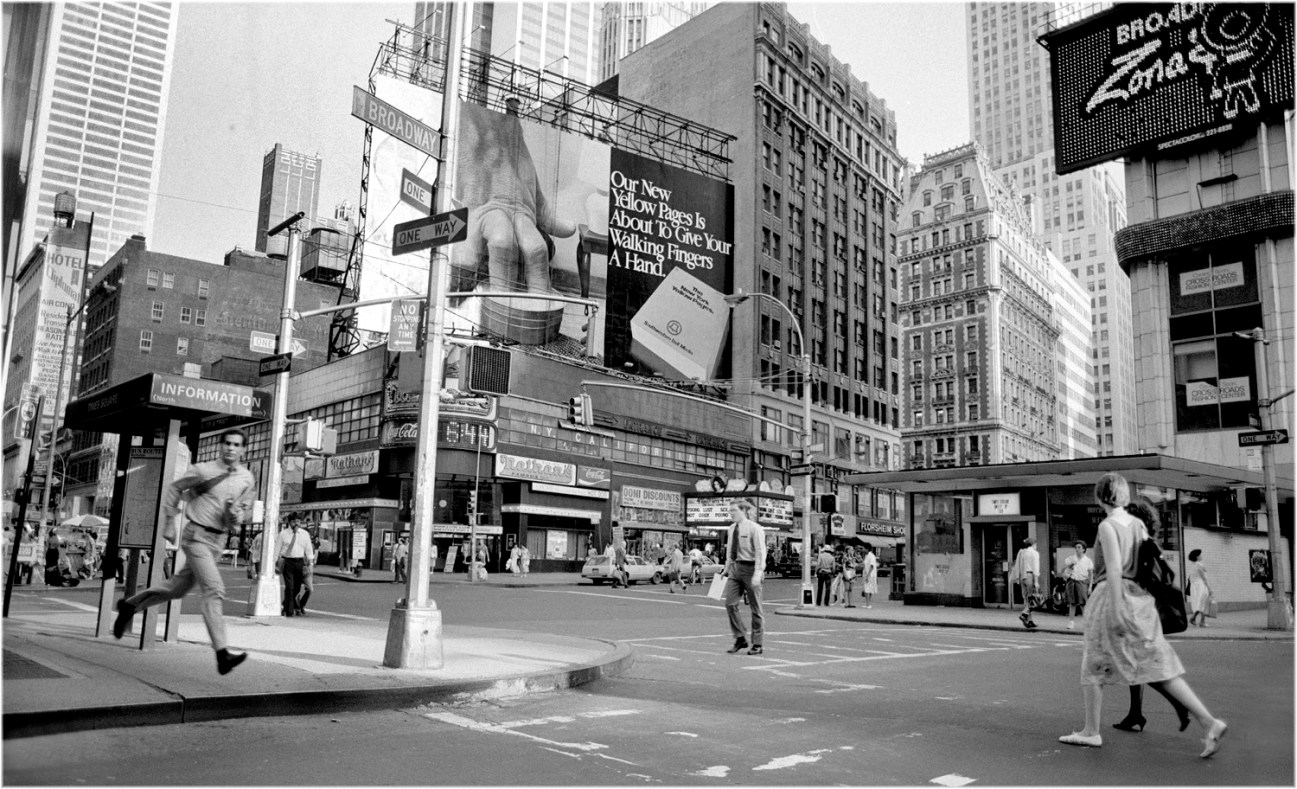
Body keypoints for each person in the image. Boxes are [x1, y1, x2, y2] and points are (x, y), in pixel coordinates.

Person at [1059, 472, 1227, 758]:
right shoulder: (1138, 524)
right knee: (1159, 665)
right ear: (1124, 495)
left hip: (1112, 596)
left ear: (1099, 497)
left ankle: (1091, 732)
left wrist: (1115, 608)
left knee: (1093, 665)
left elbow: (1113, 569)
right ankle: (1209, 721)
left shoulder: (1108, 526)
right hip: (1141, 600)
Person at [113, 428, 256, 675]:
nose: (231, 448)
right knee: (214, 590)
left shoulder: (247, 479)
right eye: (227, 443)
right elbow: (174, 489)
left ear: (243, 450)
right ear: (221, 446)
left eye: (236, 445)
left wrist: (235, 514)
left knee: (175, 589)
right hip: (196, 536)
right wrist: (169, 521)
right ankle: (222, 654)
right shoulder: (203, 470)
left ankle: (129, 606)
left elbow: (241, 518)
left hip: (218, 541)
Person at [1111, 498, 1192, 735]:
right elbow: (1167, 574)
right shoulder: (1148, 542)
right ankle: (1135, 713)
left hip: (1139, 612)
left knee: (1136, 665)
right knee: (1134, 664)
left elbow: (1147, 578)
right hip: (1144, 610)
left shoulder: (1141, 543)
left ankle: (1179, 703)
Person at [723, 499, 765, 655]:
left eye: (734, 510)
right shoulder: (731, 529)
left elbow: (761, 553)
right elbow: (730, 552)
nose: (731, 513)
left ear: (744, 511)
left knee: (756, 608)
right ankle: (740, 637)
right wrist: (726, 568)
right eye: (730, 511)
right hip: (736, 567)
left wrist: (758, 573)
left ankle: (758, 643)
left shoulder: (755, 528)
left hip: (751, 567)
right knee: (730, 603)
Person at [276, 519, 311, 617]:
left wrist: (311, 563)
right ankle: (289, 611)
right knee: (289, 586)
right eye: (293, 522)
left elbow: (309, 549)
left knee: (296, 587)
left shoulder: (304, 534)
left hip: (299, 562)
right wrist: (275, 562)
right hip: (287, 561)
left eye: (298, 522)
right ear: (289, 523)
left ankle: (286, 605)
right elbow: (277, 549)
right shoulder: (283, 534)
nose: (296, 524)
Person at [1063, 541, 1094, 630]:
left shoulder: (1088, 561)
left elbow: (1091, 574)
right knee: (1072, 603)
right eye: (1076, 547)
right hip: (1072, 581)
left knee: (1082, 603)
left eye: (1079, 547)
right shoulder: (1071, 558)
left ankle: (1086, 623)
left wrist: (1090, 586)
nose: (1077, 549)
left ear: (1084, 549)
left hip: (1082, 582)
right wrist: (1072, 564)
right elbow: (1065, 567)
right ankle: (1071, 622)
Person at [1012, 536, 1041, 629]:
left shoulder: (1022, 552)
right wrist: (1036, 581)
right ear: (1033, 544)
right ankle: (1024, 614)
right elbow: (1036, 568)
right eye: (1035, 544)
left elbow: (1018, 565)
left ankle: (1030, 621)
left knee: (1027, 599)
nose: (1036, 545)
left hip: (1022, 577)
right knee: (1033, 598)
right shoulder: (1034, 553)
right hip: (1030, 575)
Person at [1186, 549, 1212, 628]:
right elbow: (1203, 578)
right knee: (1203, 602)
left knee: (1198, 603)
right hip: (1201, 586)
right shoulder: (1199, 565)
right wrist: (1209, 588)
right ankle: (1202, 622)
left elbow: (1190, 578)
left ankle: (1193, 618)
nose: (1201, 556)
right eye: (1200, 555)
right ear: (1197, 556)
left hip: (1194, 587)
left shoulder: (1192, 565)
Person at [861, 543, 879, 609]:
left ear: (867, 549)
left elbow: (872, 566)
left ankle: (868, 604)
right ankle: (867, 603)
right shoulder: (867, 556)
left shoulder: (871, 556)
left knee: (867, 589)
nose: (862, 550)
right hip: (867, 574)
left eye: (863, 548)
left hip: (870, 575)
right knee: (867, 589)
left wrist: (867, 576)